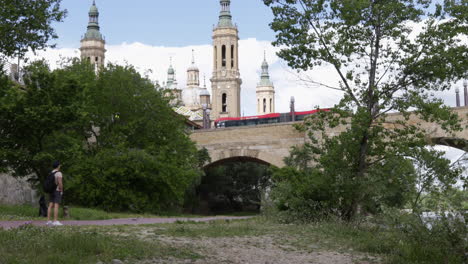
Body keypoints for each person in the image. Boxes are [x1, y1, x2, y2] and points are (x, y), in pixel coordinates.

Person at [47, 160, 64, 226]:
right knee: (56, 206)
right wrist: (61, 190)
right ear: (58, 165)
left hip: (51, 190)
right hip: (57, 190)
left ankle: (48, 221)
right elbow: (60, 183)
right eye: (59, 165)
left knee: (50, 205)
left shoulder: (51, 172)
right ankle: (55, 221)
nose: (60, 166)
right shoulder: (59, 173)